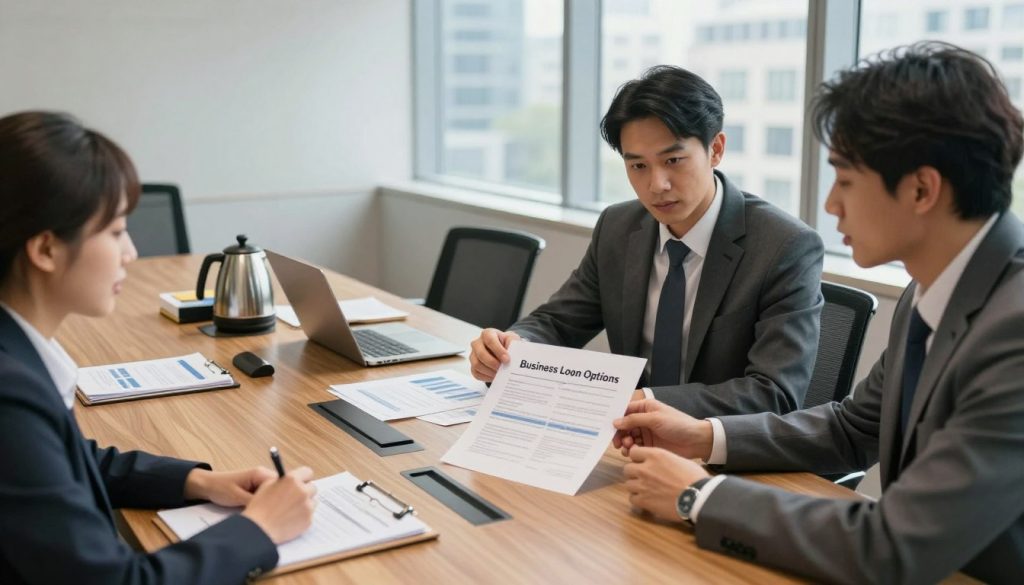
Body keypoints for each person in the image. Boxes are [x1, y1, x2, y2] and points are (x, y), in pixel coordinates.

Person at [612, 42, 1024, 584]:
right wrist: (704, 436)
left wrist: (698, 496)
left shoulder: (1014, 331)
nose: (831, 205)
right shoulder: (935, 290)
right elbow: (854, 427)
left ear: (923, 188)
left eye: (846, 180)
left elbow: (894, 545)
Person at [0, 111, 317, 584]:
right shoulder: (11, 397)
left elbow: (64, 463)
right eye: (114, 232)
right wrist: (260, 528)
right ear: (45, 249)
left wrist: (200, 482)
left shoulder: (17, 360)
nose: (131, 252)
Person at [469, 65, 824, 418]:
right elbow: (557, 322)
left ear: (715, 149)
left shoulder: (784, 246)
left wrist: (644, 401)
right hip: (626, 439)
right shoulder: (618, 226)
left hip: (717, 450)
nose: (657, 185)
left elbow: (774, 392)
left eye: (673, 160)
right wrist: (511, 348)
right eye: (638, 166)